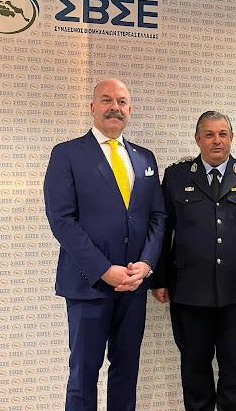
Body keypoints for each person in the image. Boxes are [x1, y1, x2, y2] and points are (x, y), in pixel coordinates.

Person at [44, 78, 166, 411]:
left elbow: (158, 217)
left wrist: (147, 264)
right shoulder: (67, 154)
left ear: (130, 109)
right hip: (88, 284)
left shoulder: (145, 158)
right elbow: (62, 220)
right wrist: (103, 269)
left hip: (133, 285)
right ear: (93, 107)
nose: (115, 108)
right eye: (107, 100)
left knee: (127, 372)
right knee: (83, 374)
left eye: (122, 102)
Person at [152, 111, 236, 411]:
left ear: (232, 138)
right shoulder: (177, 176)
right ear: (197, 139)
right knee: (195, 372)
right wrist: (160, 280)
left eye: (222, 134)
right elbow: (163, 230)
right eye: (209, 134)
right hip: (189, 293)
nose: (216, 141)